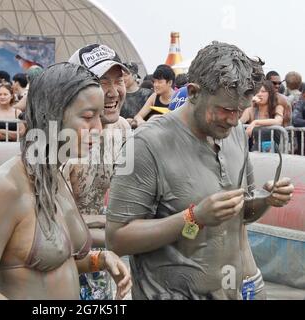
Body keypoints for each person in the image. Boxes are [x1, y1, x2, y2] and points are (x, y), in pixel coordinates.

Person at [106, 41, 294, 300]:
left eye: (241, 110)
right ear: (193, 93)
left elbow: (240, 215)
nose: (234, 119)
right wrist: (194, 217)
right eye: (226, 110)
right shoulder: (146, 146)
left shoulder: (235, 133)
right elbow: (117, 238)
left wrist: (266, 200)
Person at [0, 62, 131, 300]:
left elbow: (59, 263)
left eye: (99, 117)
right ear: (51, 116)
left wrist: (100, 259)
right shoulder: (6, 187)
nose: (98, 129)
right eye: (88, 117)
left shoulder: (56, 176)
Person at [67, 44, 131, 300]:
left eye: (119, 81)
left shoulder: (123, 130)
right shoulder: (60, 139)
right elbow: (51, 227)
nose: (114, 92)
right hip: (60, 260)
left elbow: (128, 203)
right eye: (103, 82)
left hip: (101, 252)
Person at [240, 80, 285, 152]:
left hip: (275, 153)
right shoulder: (250, 110)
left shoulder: (278, 107)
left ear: (270, 94)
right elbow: (238, 122)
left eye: (263, 91)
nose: (259, 94)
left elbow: (278, 121)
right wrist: (249, 102)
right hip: (256, 151)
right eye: (257, 92)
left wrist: (255, 122)